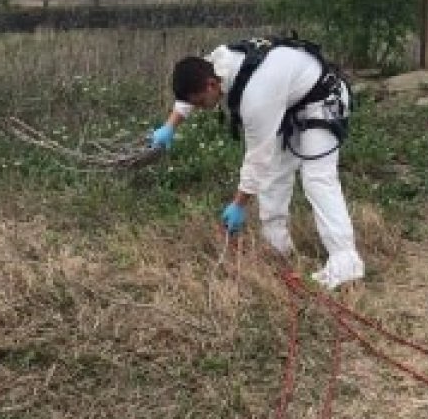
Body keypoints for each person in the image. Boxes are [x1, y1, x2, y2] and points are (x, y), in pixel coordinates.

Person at [150, 40, 364, 289]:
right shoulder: (216, 63)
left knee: (317, 178)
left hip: (323, 99)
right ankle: (277, 249)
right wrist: (170, 126)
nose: (200, 108)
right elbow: (190, 88)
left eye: (200, 103)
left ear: (211, 85)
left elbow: (256, 159)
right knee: (275, 176)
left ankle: (345, 262)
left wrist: (239, 204)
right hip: (291, 102)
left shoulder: (256, 96)